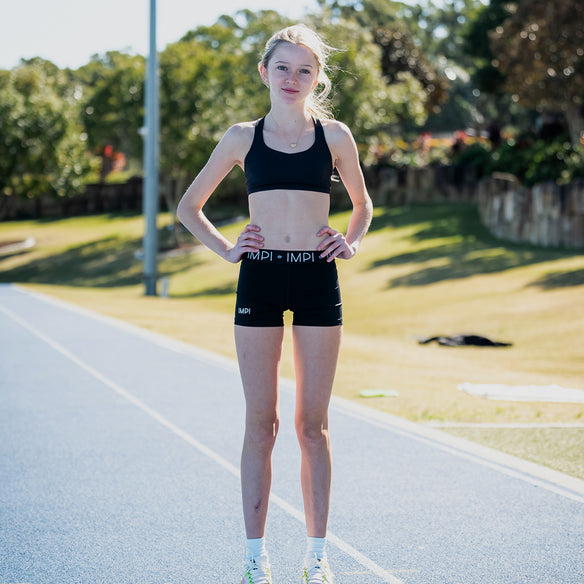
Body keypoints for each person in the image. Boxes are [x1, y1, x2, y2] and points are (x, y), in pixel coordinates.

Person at [177, 24, 373, 584]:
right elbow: (190, 207)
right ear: (265, 72)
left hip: (316, 279)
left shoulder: (335, 136)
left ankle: (316, 556)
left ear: (317, 78)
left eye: (304, 70)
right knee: (261, 426)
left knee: (313, 426)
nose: (292, 78)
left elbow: (362, 205)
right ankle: (255, 559)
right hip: (260, 279)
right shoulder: (243, 137)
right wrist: (227, 249)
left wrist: (351, 242)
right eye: (282, 67)